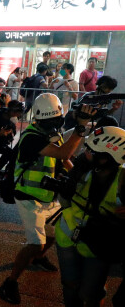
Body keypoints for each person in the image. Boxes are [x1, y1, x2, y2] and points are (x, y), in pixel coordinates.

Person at [0, 93, 95, 305]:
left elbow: (64, 161)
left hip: (49, 196)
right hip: (29, 197)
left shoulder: (51, 133)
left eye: (57, 121)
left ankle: (39, 257)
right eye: (51, 122)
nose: (55, 125)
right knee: (36, 243)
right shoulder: (32, 137)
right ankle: (10, 282)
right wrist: (80, 128)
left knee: (53, 235)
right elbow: (63, 153)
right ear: (40, 120)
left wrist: (79, 179)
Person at [54, 126, 125, 307]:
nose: (85, 154)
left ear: (107, 157)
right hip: (67, 236)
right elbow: (65, 201)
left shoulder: (123, 181)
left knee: (90, 293)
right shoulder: (83, 167)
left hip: (99, 243)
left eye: (92, 151)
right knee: (69, 286)